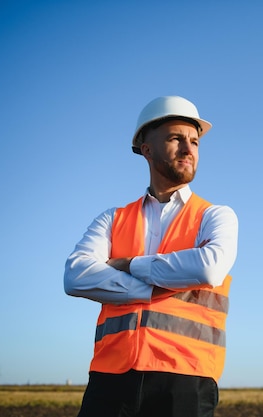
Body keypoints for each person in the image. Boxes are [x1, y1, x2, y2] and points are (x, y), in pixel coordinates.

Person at [64, 95, 238, 417]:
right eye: (176, 139)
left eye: (195, 142)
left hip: (186, 377)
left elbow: (209, 268)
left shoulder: (215, 216)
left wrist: (129, 265)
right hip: (110, 378)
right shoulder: (112, 218)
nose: (189, 149)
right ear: (147, 149)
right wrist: (152, 288)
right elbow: (76, 275)